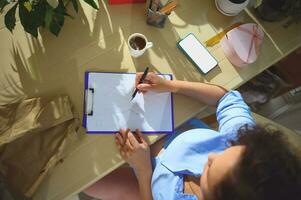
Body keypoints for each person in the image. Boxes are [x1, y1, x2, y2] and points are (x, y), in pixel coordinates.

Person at [84, 72, 301, 200]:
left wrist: (143, 171)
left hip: (147, 183)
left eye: (208, 172)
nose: (210, 157)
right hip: (166, 128)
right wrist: (172, 85)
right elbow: (227, 99)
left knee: (84, 181)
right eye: (227, 150)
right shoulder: (244, 143)